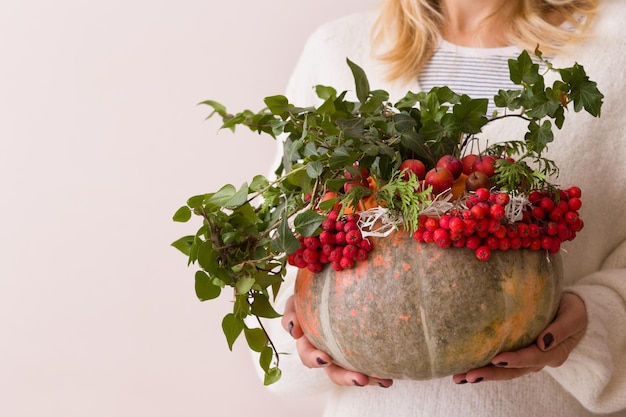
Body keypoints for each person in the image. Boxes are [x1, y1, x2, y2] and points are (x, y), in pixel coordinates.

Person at [265, 1, 626, 416]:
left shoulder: (616, 42)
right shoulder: (336, 49)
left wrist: (593, 321)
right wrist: (309, 328)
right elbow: (289, 245)